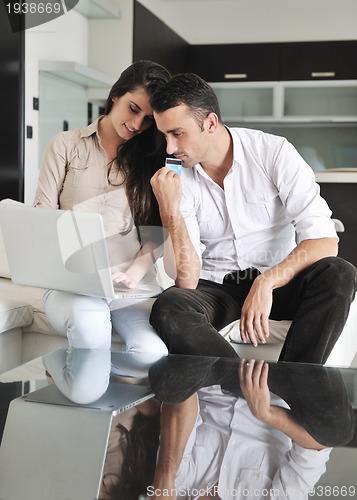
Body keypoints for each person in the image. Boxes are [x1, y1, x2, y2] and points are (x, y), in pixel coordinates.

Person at [149, 72, 357, 364]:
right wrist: (169, 211)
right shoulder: (177, 176)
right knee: (169, 305)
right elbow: (187, 280)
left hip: (279, 284)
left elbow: (323, 240)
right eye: (165, 135)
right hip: (218, 288)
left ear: (210, 123)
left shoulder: (273, 153)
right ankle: (240, 384)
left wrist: (267, 282)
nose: (170, 148)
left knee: (339, 273)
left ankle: (293, 383)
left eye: (177, 133)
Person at [33, 60, 171, 355]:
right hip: (73, 283)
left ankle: (80, 378)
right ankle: (63, 375)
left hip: (130, 286)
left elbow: (154, 231)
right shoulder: (66, 145)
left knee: (153, 354)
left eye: (148, 119)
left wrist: (134, 273)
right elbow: (42, 215)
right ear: (116, 96)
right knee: (92, 333)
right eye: (133, 109)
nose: (137, 125)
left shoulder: (150, 159)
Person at [150, 358, 354, 500]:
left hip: (212, 375)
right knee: (337, 431)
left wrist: (166, 474)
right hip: (272, 384)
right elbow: (317, 445)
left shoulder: (175, 487)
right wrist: (266, 413)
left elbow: (180, 399)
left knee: (170, 375)